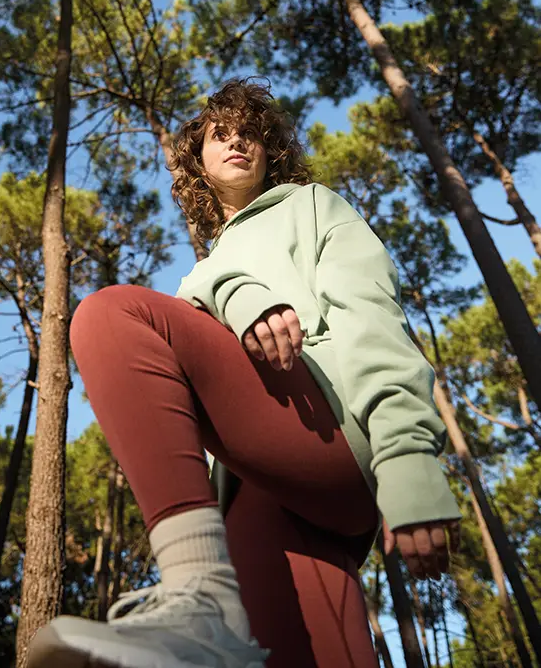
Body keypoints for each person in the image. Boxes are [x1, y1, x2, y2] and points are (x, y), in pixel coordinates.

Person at [28, 78, 461, 668]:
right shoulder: (197, 278)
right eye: (220, 135)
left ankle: (198, 591)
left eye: (250, 134)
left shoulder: (313, 205)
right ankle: (211, 605)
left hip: (334, 431)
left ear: (270, 152)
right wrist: (232, 290)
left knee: (109, 314)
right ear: (196, 163)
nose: (237, 142)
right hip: (256, 489)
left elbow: (373, 323)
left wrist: (410, 464)